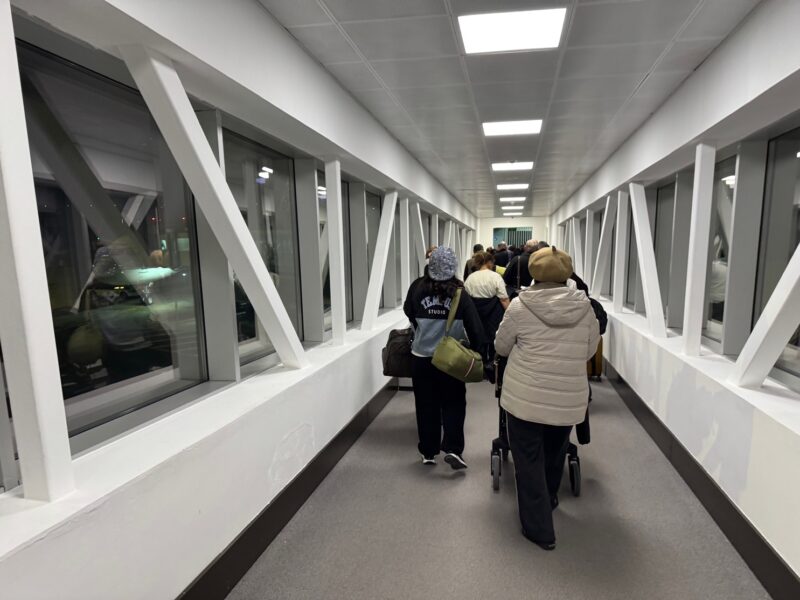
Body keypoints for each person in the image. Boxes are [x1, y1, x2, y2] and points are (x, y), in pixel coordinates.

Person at [494, 246, 600, 551]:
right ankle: (550, 498)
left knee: (528, 459)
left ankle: (540, 529)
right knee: (555, 453)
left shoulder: (520, 306)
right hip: (567, 397)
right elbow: (590, 349)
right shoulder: (585, 307)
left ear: (534, 273)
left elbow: (501, 346)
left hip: (525, 397)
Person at [403, 247, 487, 470]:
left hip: (421, 358)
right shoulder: (460, 293)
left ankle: (428, 451)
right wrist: (478, 352)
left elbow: (408, 311)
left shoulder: (417, 287)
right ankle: (453, 449)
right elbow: (475, 328)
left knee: (425, 405)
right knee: (454, 402)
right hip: (451, 361)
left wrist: (423, 328)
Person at [465, 251, 509, 354]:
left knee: (478, 339)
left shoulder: (470, 278)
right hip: (493, 315)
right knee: (494, 339)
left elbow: (466, 298)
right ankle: (493, 360)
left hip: (476, 314)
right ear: (489, 262)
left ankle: (481, 359)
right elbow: (504, 299)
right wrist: (511, 314)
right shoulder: (495, 277)